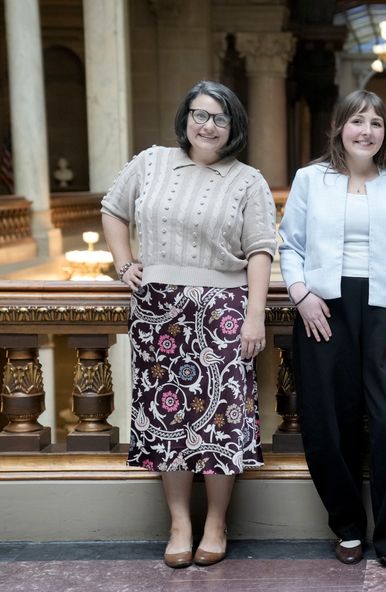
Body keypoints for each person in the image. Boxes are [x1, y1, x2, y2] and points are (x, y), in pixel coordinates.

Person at [101, 80, 276, 569]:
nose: (207, 125)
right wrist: (123, 262)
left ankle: (216, 521)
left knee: (220, 421)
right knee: (167, 418)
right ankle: (179, 521)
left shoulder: (248, 180)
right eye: (199, 115)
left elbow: (261, 249)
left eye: (219, 118)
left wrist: (255, 315)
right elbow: (113, 210)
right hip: (157, 309)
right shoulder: (151, 162)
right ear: (186, 118)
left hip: (222, 311)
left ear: (233, 127)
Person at [279, 90, 386, 581]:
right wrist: (301, 295)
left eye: (377, 123)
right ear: (339, 127)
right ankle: (346, 527)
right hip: (323, 310)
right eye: (357, 122)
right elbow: (289, 244)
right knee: (327, 423)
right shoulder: (309, 179)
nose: (367, 131)